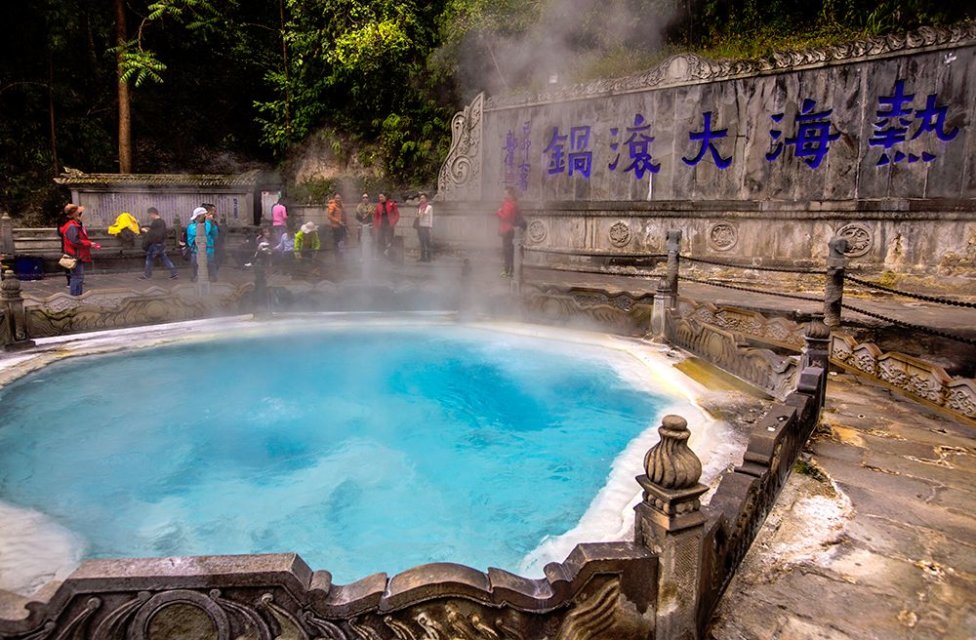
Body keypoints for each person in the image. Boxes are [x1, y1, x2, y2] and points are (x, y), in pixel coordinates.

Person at [59, 203, 101, 296]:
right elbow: (75, 241)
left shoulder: (75, 225)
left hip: (77, 254)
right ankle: (75, 298)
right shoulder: (72, 226)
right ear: (75, 214)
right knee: (77, 278)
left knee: (78, 277)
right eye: (80, 212)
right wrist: (89, 243)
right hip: (76, 255)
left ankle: (78, 297)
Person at [139, 207, 178, 280]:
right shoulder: (162, 222)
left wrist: (146, 231)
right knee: (164, 258)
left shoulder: (156, 222)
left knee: (149, 259)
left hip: (155, 244)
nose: (149, 217)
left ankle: (147, 275)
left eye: (149, 215)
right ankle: (174, 273)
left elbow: (155, 234)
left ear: (152, 213)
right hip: (161, 244)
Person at [186, 206, 218, 282]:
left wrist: (213, 225)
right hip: (197, 252)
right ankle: (196, 279)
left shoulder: (209, 225)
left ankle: (212, 280)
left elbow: (215, 235)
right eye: (204, 215)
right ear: (198, 216)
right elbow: (203, 233)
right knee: (197, 269)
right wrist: (207, 221)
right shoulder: (192, 227)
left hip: (209, 251)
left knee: (210, 269)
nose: (205, 217)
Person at [496, 186, 520, 278]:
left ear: (510, 194)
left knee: (507, 252)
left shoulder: (509, 204)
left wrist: (498, 212)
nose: (504, 195)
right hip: (510, 229)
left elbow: (505, 217)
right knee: (510, 251)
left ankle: (508, 271)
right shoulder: (513, 204)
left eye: (506, 193)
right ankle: (510, 270)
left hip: (506, 229)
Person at [203, 203, 224, 278]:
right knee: (210, 262)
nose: (214, 213)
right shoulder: (205, 223)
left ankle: (212, 275)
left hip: (216, 245)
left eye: (214, 211)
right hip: (209, 246)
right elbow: (208, 233)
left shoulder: (213, 222)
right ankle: (212, 276)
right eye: (212, 211)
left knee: (217, 260)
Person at [327, 192, 348, 259]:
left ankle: (341, 255)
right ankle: (337, 256)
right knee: (337, 242)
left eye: (339, 198)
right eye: (336, 198)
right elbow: (329, 216)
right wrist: (338, 221)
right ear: (334, 198)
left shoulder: (342, 205)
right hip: (336, 227)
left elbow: (344, 215)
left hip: (342, 226)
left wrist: (345, 223)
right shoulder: (332, 206)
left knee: (343, 240)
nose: (338, 199)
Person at [415, 192, 433, 262]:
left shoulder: (429, 207)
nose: (421, 199)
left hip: (426, 226)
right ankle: (422, 257)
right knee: (421, 242)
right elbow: (418, 216)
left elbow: (430, 217)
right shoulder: (420, 207)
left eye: (423, 198)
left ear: (426, 199)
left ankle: (428, 257)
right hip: (420, 226)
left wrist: (430, 227)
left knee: (427, 242)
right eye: (421, 198)